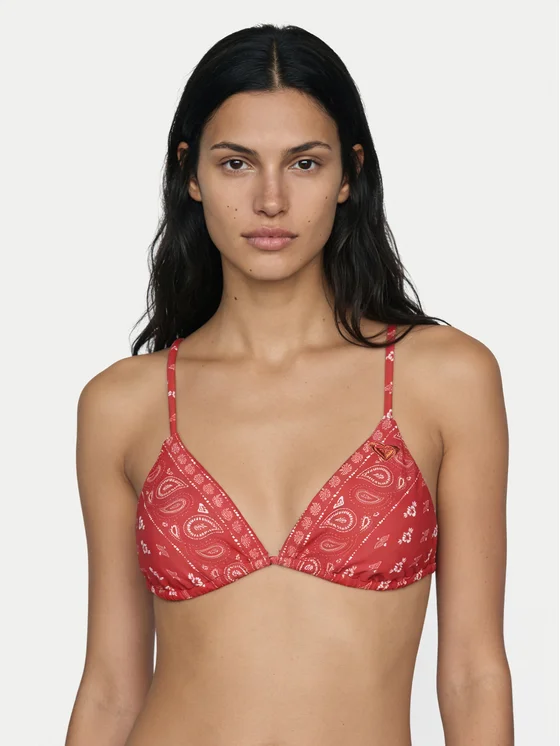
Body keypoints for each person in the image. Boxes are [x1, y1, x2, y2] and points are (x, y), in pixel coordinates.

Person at [65, 23, 513, 746]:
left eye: (304, 163)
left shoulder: (445, 379)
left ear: (349, 175)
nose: (270, 200)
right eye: (236, 163)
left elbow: (473, 674)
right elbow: (111, 690)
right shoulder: (122, 404)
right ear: (191, 173)